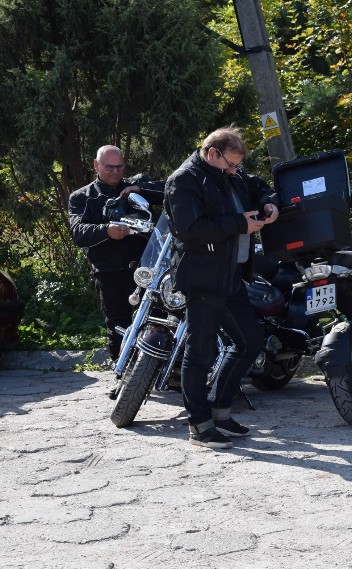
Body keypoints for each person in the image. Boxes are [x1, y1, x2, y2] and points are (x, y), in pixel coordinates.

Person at [165, 126, 280, 449]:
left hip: (230, 277)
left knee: (249, 343)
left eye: (236, 166)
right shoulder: (184, 180)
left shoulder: (228, 173)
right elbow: (190, 229)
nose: (234, 171)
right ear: (212, 153)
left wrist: (269, 203)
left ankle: (220, 411)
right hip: (202, 278)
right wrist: (240, 224)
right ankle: (199, 425)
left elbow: (257, 186)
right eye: (230, 164)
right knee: (200, 353)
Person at [68, 145, 165, 362]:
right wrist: (106, 230)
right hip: (108, 271)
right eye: (109, 166)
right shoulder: (83, 197)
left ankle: (154, 372)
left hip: (145, 269)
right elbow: (78, 233)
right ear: (96, 165)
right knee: (117, 324)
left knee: (155, 321)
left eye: (119, 167)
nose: (114, 171)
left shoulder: (135, 186)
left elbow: (172, 190)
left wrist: (140, 189)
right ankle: (121, 374)